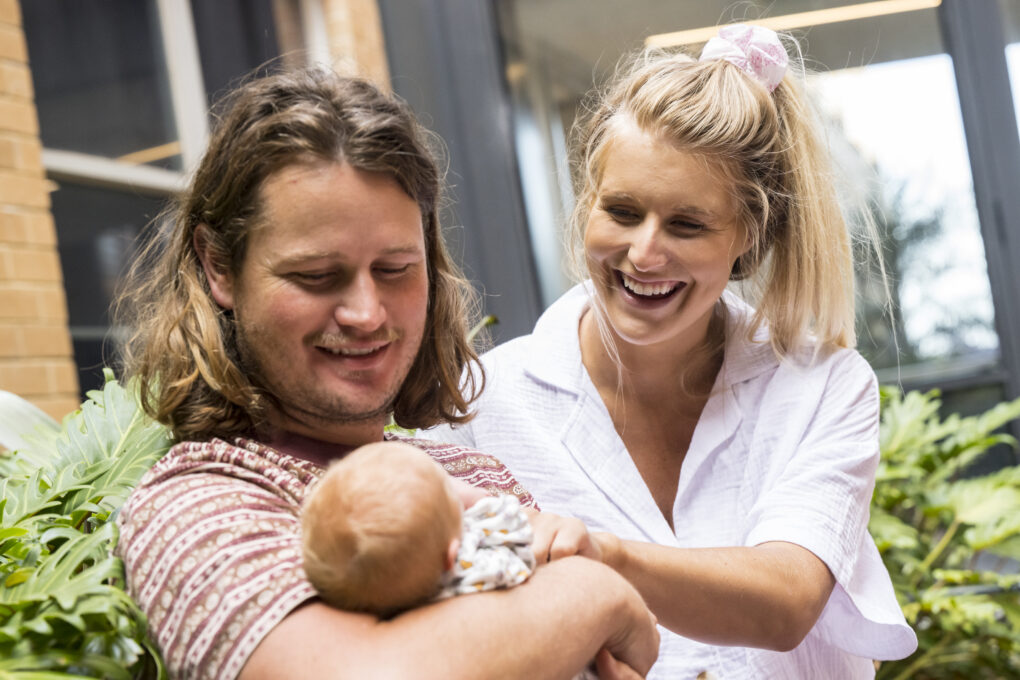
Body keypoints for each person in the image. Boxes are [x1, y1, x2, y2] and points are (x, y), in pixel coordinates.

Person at [113, 66, 658, 680]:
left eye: (396, 268)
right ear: (218, 267)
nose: (366, 314)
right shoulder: (201, 499)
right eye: (316, 276)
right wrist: (596, 593)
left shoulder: (469, 470)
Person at [422, 24, 919, 678]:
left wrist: (597, 556)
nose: (643, 253)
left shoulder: (823, 387)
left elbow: (786, 602)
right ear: (586, 203)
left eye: (686, 224)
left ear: (748, 236)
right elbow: (459, 618)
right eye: (622, 212)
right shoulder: (483, 405)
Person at [300, 440, 535, 617]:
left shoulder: (387, 604)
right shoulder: (478, 573)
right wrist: (479, 501)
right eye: (448, 489)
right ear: (453, 555)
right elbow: (516, 531)